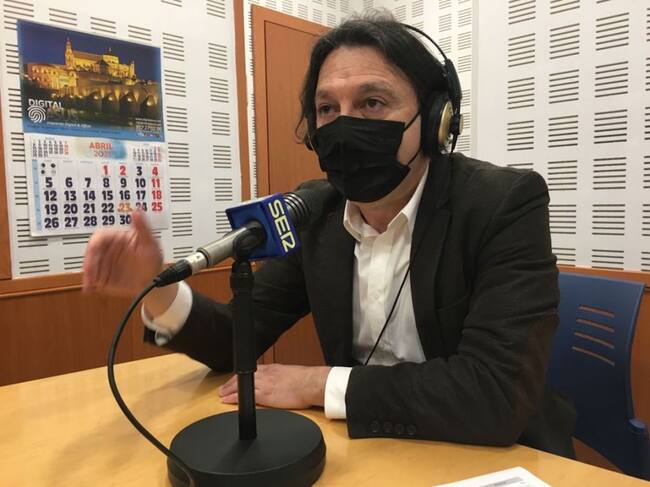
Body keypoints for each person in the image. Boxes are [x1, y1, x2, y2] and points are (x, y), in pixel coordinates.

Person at [83, 14, 575, 456]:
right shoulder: (318, 210)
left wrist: (319, 385)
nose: (345, 126)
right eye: (327, 108)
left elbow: (494, 394)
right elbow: (237, 340)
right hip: (371, 453)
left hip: (499, 458)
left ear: (435, 119)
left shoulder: (502, 203)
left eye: (372, 102)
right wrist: (159, 286)